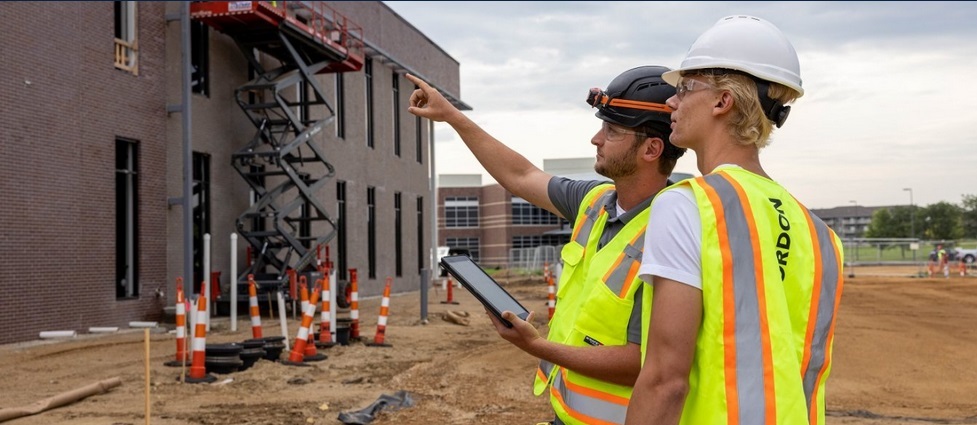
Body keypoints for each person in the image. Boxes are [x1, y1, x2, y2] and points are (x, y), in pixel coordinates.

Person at [406, 66, 686, 425]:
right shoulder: (595, 201)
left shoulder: (674, 231)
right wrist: (452, 116)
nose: (596, 139)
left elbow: (644, 364)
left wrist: (536, 346)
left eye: (612, 130)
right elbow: (520, 176)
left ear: (651, 149)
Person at [625, 16, 845, 424]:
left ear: (722, 101)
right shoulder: (821, 236)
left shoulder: (690, 205)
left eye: (685, 88)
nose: (670, 102)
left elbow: (664, 381)